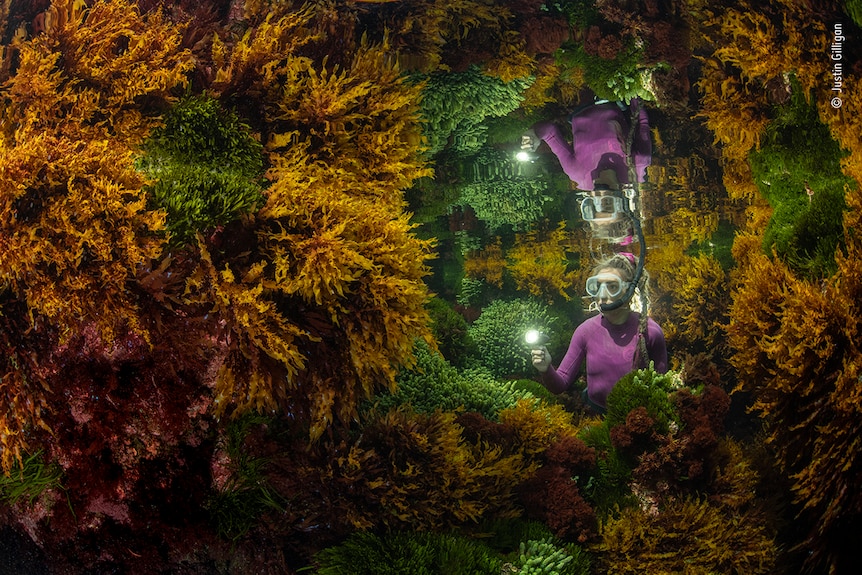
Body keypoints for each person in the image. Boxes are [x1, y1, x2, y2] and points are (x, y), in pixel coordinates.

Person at [530, 253, 668, 413]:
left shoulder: (652, 332)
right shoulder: (585, 331)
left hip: (638, 419)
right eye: (597, 286)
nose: (602, 296)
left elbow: (662, 388)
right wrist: (545, 368)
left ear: (630, 290)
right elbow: (560, 385)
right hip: (595, 417)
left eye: (612, 287)